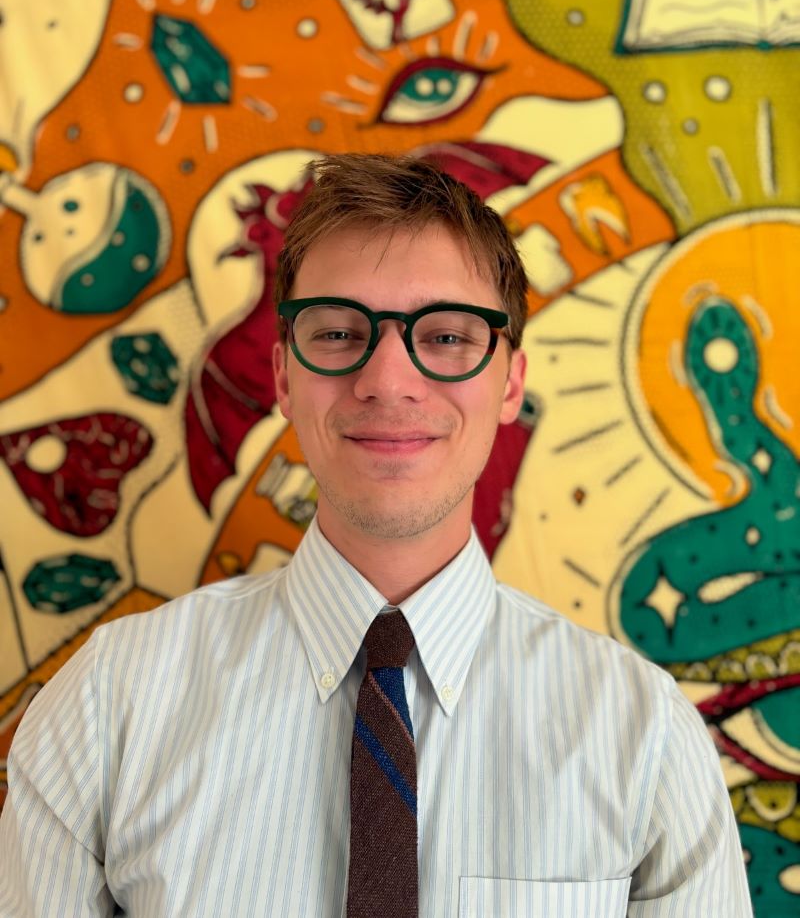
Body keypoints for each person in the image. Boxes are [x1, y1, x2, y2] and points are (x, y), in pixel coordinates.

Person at [0, 154, 752, 917]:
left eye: (450, 337)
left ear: (512, 383)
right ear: (285, 379)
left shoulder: (645, 737)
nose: (389, 380)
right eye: (337, 331)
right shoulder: (106, 708)